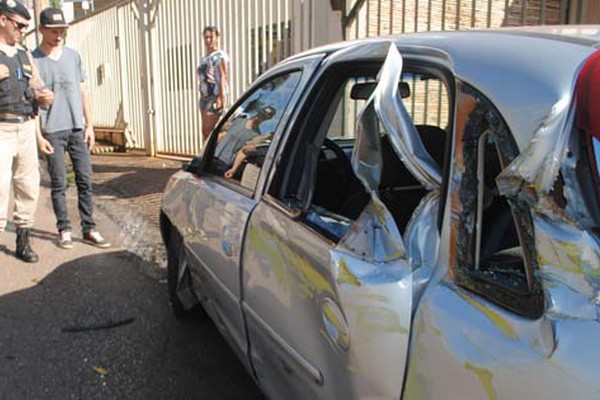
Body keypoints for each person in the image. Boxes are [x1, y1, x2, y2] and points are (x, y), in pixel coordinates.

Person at [33, 7, 110, 250]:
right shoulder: (33, 60)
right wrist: (38, 136)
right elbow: (32, 100)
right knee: (58, 184)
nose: (58, 35)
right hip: (52, 130)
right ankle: (64, 229)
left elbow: (83, 91)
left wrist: (90, 125)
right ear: (41, 30)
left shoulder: (73, 56)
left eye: (62, 31)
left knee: (85, 180)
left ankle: (89, 228)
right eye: (54, 31)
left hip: (77, 128)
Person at [0, 0, 54, 263]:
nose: (23, 30)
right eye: (19, 25)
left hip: (24, 127)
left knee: (28, 186)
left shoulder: (24, 54)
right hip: (1, 129)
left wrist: (43, 98)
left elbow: (36, 92)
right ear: (3, 20)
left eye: (25, 26)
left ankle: (23, 241)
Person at [213, 106, 276, 176]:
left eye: (264, 116)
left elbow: (243, 152)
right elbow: (221, 135)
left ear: (267, 119)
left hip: (224, 164)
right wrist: (209, 151)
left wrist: (233, 169)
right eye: (261, 113)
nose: (260, 116)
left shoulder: (256, 136)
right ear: (258, 112)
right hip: (212, 156)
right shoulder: (238, 121)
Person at [197, 26, 229, 142]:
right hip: (204, 97)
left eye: (211, 37)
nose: (208, 40)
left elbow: (223, 77)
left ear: (217, 37)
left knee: (208, 129)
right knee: (205, 131)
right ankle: (207, 156)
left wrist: (221, 98)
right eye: (206, 38)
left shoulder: (220, 56)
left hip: (214, 96)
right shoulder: (204, 58)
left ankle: (213, 155)